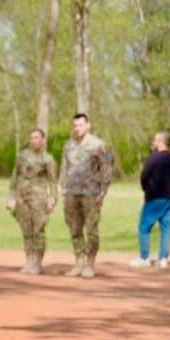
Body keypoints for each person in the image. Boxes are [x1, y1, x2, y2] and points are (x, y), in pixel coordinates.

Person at [59, 112, 115, 278]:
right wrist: (61, 186)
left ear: (88, 125)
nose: (77, 129)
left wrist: (103, 191)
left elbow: (107, 169)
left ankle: (90, 263)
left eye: (81, 125)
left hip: (91, 193)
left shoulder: (98, 145)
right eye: (75, 126)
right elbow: (64, 166)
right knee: (74, 229)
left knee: (91, 230)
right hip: (71, 193)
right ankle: (79, 262)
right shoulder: (68, 145)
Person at [6, 128, 58, 275]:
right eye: (32, 138)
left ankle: (38, 263)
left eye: (37, 138)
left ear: (43, 140)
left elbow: (53, 182)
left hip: (39, 199)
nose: (34, 140)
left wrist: (52, 200)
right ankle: (29, 260)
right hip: (22, 198)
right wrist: (11, 196)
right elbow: (15, 176)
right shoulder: (21, 156)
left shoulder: (48, 159)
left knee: (39, 231)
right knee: (26, 231)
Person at [132, 131, 170, 270]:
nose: (153, 143)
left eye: (155, 140)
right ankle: (163, 258)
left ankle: (144, 258)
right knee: (166, 228)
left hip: (155, 197)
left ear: (161, 142)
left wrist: (145, 189)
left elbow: (145, 175)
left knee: (144, 227)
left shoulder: (154, 158)